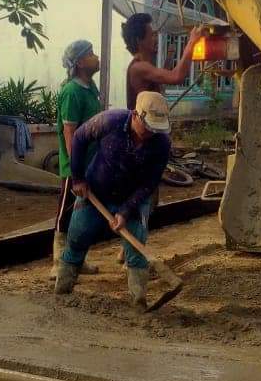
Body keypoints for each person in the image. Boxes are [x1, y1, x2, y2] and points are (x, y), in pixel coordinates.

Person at [54, 91, 172, 309]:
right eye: (148, 127)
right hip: (96, 191)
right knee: (77, 237)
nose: (151, 133)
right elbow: (79, 137)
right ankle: (61, 292)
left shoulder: (161, 144)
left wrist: (126, 211)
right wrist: (77, 178)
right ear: (136, 115)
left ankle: (139, 302)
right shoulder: (110, 121)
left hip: (134, 197)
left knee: (136, 250)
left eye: (156, 129)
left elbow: (150, 182)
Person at [52, 39, 102, 277]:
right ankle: (57, 261)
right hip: (75, 166)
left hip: (92, 163)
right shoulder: (71, 92)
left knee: (83, 215)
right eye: (91, 54)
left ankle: (77, 260)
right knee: (67, 212)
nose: (96, 57)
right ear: (81, 62)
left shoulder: (91, 87)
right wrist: (76, 169)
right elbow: (69, 133)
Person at [123, 12, 203, 109]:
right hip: (142, 124)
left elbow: (162, 79)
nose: (156, 39)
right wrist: (192, 42)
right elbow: (176, 77)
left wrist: (169, 57)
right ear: (139, 40)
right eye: (152, 35)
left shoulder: (144, 65)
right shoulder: (139, 67)